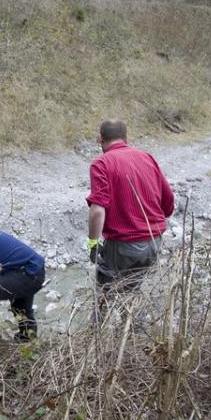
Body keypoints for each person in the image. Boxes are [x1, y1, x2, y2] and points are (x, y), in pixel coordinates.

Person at [86, 119, 174, 298]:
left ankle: (104, 317)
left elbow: (98, 210)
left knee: (106, 296)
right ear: (126, 138)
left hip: (123, 245)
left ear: (100, 139)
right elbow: (168, 200)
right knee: (131, 292)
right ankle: (132, 316)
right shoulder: (147, 157)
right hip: (154, 241)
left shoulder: (101, 164)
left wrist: (93, 243)